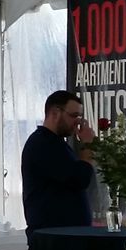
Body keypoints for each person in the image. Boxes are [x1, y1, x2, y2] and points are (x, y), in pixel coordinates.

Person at [21, 91, 96, 238]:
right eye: (74, 116)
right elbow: (80, 179)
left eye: (80, 117)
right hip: (53, 238)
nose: (78, 123)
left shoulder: (57, 144)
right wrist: (88, 146)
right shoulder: (42, 144)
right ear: (55, 113)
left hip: (64, 236)